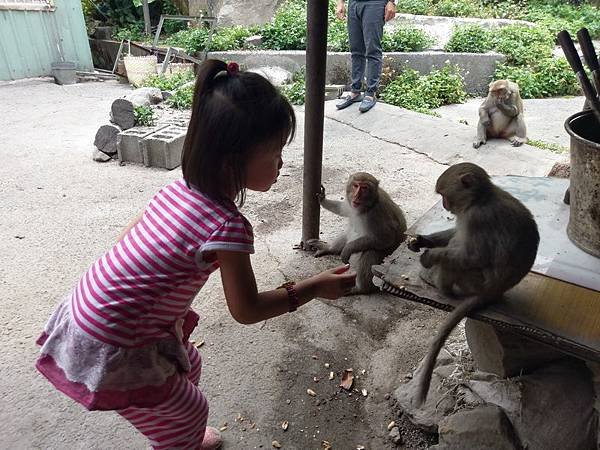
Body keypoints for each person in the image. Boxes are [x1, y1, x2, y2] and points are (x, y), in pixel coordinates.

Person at [35, 59, 357, 450]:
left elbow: (127, 239)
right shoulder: (227, 227)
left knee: (191, 362)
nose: (281, 164)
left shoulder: (178, 189)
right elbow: (247, 309)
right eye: (274, 153)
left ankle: (178, 433)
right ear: (231, 162)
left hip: (86, 311)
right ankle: (179, 439)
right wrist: (315, 286)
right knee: (191, 410)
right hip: (115, 342)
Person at [336, 0, 397, 112]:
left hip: (375, 3)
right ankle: (355, 92)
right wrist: (340, 2)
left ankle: (370, 93)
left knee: (372, 50)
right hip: (354, 3)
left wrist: (391, 2)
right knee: (356, 50)